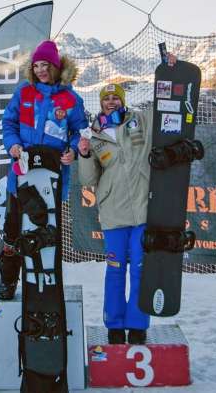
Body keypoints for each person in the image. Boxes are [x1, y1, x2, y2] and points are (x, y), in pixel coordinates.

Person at [77, 55, 176, 345]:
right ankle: (114, 324)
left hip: (144, 210)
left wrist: (170, 75)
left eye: (115, 98)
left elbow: (165, 114)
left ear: (122, 101)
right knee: (116, 269)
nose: (111, 102)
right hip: (113, 213)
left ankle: (138, 324)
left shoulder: (140, 121)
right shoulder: (94, 135)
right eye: (106, 98)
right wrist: (83, 155)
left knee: (141, 268)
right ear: (101, 103)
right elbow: (87, 180)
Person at [0, 40, 88, 300]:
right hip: (22, 175)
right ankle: (8, 280)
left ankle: (47, 281)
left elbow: (79, 132)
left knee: (46, 231)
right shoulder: (24, 93)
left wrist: (72, 151)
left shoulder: (71, 99)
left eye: (45, 65)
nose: (40, 70)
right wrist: (13, 145)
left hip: (52, 178)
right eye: (36, 65)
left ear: (56, 66)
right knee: (13, 229)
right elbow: (8, 123)